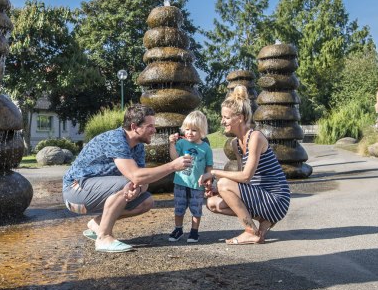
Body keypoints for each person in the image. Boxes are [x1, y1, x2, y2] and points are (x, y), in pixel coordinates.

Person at [63, 104, 193, 253]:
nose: (154, 130)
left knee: (146, 201)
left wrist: (135, 189)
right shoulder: (115, 139)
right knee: (128, 182)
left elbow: (141, 180)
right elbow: (136, 175)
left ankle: (97, 224)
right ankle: (103, 238)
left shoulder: (138, 147)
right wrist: (172, 166)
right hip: (74, 192)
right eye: (150, 126)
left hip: (93, 191)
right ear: (134, 126)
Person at [206, 86, 290, 244]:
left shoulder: (255, 137)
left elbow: (246, 176)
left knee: (224, 183)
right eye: (222, 117)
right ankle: (264, 221)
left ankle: (251, 231)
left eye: (226, 117)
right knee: (213, 203)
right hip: (261, 195)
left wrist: (214, 173)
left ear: (240, 117)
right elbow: (242, 180)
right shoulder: (236, 144)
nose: (222, 121)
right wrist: (217, 190)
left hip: (277, 198)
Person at [167, 111, 213, 243]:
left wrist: (208, 179)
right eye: (187, 129)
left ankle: (194, 231)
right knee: (179, 208)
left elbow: (209, 166)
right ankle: (178, 229)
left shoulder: (206, 148)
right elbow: (174, 158)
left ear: (202, 131)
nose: (189, 133)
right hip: (180, 182)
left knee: (196, 209)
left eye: (194, 130)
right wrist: (171, 144)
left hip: (197, 185)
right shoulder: (181, 144)